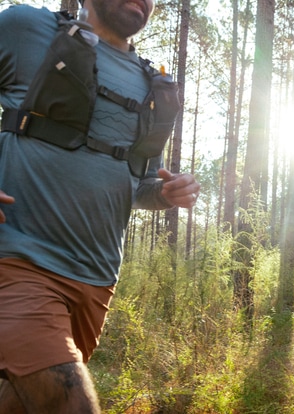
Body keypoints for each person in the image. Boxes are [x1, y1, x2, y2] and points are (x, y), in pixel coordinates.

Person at [0, 0, 200, 411]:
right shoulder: (25, 28)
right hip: (17, 261)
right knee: (72, 405)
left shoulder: (154, 85)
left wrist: (165, 194)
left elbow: (140, 183)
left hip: (95, 280)